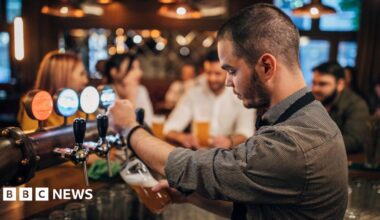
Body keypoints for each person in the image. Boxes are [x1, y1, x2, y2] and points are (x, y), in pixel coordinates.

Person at [108, 3, 347, 219]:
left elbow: (192, 166)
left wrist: (129, 127)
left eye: (231, 70)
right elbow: (253, 211)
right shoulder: (306, 116)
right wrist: (191, 194)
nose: (227, 82)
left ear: (266, 66)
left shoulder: (293, 142)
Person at [164, 51, 255, 149]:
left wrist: (229, 141)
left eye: (217, 74)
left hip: (229, 154)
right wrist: (184, 138)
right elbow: (169, 128)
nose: (212, 78)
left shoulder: (240, 92)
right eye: (208, 73)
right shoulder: (194, 91)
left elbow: (247, 132)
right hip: (198, 153)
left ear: (228, 72)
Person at [18, 51, 90, 131]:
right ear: (62, 76)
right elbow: (32, 141)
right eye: (81, 74)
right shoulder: (35, 105)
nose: (85, 80)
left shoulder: (78, 104)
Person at [312, 61, 370, 153]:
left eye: (322, 84)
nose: (315, 89)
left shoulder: (356, 104)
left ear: (340, 84)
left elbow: (354, 141)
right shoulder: (314, 103)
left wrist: (312, 144)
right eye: (314, 83)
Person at [103, 53, 154, 126]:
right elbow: (112, 127)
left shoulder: (141, 90)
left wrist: (131, 95)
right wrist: (131, 98)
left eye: (139, 68)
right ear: (114, 72)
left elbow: (147, 125)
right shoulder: (105, 94)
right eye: (132, 68)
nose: (139, 73)